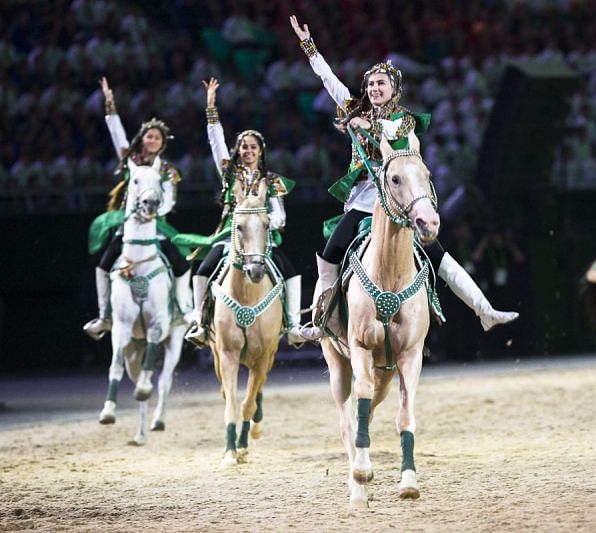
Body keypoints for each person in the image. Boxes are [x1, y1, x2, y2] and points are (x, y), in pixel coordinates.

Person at [289, 15, 518, 342]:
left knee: (439, 256)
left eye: (381, 84)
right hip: (363, 201)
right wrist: (308, 46)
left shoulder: (404, 121)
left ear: (394, 89)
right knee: (329, 255)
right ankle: (319, 322)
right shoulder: (357, 110)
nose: (374, 88)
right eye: (370, 84)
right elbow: (329, 80)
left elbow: (390, 133)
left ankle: (484, 309)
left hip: (397, 202)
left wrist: (364, 126)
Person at [182, 77, 305, 346]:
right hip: (230, 236)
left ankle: (294, 325)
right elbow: (216, 143)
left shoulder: (272, 180)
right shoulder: (230, 175)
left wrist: (263, 222)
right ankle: (200, 321)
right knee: (203, 269)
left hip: (262, 240)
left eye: (253, 147)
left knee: (291, 272)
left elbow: (280, 216)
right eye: (243, 147)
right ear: (237, 151)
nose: (248, 150)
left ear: (261, 152)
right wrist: (211, 108)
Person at [83, 77, 192, 340]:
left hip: (157, 226)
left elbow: (170, 201)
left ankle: (183, 310)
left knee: (181, 264)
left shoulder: (167, 170)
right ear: (142, 139)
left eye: (157, 137)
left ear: (162, 143)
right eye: (149, 136)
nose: (152, 140)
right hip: (128, 225)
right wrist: (110, 105)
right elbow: (117, 134)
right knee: (103, 264)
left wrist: (154, 211)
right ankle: (105, 316)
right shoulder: (130, 161)